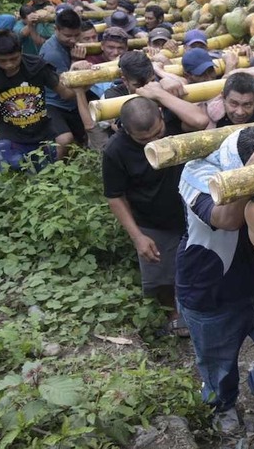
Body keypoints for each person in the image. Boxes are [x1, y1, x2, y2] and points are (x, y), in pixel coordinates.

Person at [177, 126, 254, 432]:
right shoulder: (197, 170)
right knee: (217, 364)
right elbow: (226, 219)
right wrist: (253, 172)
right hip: (210, 289)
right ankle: (222, 404)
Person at [102, 96, 191, 337]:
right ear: (124, 129)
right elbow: (115, 197)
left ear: (162, 115)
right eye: (144, 140)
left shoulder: (175, 122)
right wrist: (137, 236)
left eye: (157, 133)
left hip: (191, 210)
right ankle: (174, 316)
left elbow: (201, 120)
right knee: (160, 273)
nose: (154, 142)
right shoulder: (115, 150)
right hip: (151, 218)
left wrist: (164, 91)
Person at [0, 30, 74, 172]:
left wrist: (82, 82)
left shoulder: (37, 66)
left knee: (43, 175)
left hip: (42, 132)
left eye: (14, 58)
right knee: (12, 171)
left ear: (21, 51)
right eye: (2, 61)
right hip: (9, 135)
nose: (9, 65)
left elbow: (65, 93)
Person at [39, 8, 87, 157]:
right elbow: (67, 93)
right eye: (67, 36)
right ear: (56, 30)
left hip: (70, 102)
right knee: (65, 140)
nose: (73, 40)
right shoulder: (53, 54)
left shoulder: (70, 45)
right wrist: (76, 63)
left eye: (76, 35)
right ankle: (54, 172)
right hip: (53, 103)